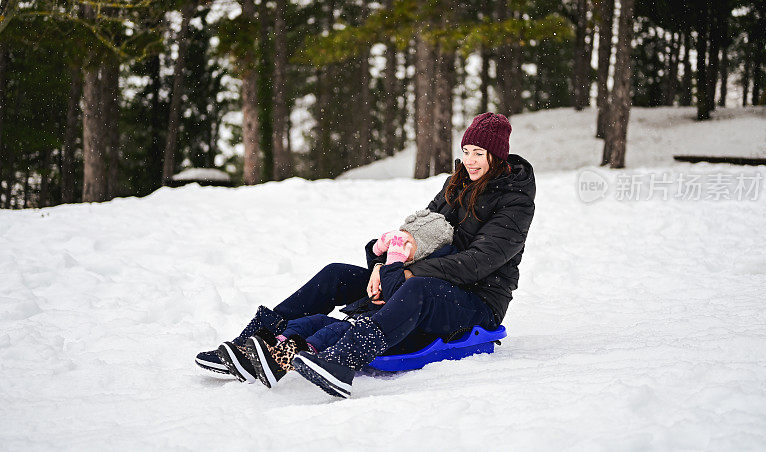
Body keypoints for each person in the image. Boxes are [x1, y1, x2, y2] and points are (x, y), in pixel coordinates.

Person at [196, 112, 536, 399]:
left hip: (476, 300)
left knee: (418, 289)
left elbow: (479, 262)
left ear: (497, 156)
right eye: (466, 151)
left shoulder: (515, 199)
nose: (470, 161)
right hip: (418, 280)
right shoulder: (456, 185)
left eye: (479, 153)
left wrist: (407, 274)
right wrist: (381, 266)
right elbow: (415, 232)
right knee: (336, 274)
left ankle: (344, 361)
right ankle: (255, 343)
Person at [214, 211, 457, 387]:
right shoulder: (408, 258)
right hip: (364, 316)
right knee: (316, 311)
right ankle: (260, 345)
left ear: (425, 250)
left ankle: (285, 359)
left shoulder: (424, 273)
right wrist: (379, 252)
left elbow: (398, 298)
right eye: (398, 239)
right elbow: (387, 267)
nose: (398, 245)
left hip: (370, 326)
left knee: (324, 332)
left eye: (405, 243)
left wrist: (393, 262)